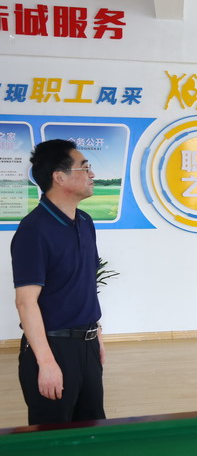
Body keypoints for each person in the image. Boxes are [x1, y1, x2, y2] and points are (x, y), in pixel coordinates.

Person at [10, 139, 105, 425]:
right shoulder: (34, 230)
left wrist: (96, 335)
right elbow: (25, 303)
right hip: (53, 347)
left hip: (87, 346)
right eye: (84, 168)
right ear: (59, 177)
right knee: (53, 436)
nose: (92, 174)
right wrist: (46, 362)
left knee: (92, 430)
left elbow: (85, 284)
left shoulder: (85, 222)